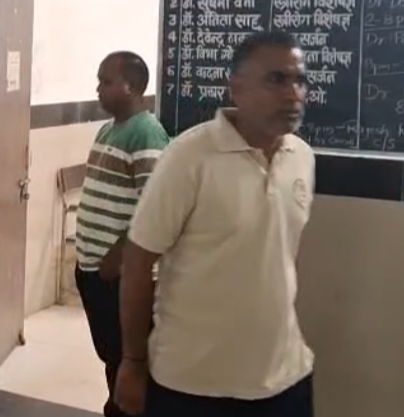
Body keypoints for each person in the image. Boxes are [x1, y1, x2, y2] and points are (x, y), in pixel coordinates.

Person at [115, 30, 316, 417]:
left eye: (299, 80)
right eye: (276, 79)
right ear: (236, 89)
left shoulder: (301, 157)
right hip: (193, 385)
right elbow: (138, 262)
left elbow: (278, 257)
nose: (293, 94)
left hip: (285, 377)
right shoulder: (189, 157)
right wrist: (133, 361)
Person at [75, 51, 170, 417]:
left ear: (132, 87)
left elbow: (156, 206)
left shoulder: (146, 133)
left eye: (106, 81)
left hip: (121, 275)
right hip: (94, 270)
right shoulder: (108, 129)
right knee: (111, 356)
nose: (98, 89)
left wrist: (120, 254)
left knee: (127, 358)